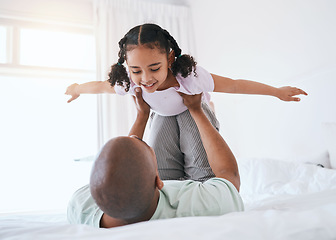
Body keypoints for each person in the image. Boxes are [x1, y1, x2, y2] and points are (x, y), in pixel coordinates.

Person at [65, 23, 307, 182]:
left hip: (194, 109)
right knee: (161, 169)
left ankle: (202, 184)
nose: (146, 78)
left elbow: (234, 84)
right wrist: (77, 88)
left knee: (199, 163)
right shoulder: (130, 82)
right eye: (136, 70)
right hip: (162, 116)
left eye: (154, 68)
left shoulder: (189, 76)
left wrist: (276, 91)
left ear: (169, 58)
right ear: (127, 67)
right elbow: (100, 86)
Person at [67, 88, 244, 228]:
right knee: (187, 111)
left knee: (165, 110)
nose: (137, 138)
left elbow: (120, 169)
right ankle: (206, 109)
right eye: (147, 148)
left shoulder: (80, 207)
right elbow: (228, 176)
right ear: (158, 181)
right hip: (201, 184)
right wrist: (197, 110)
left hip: (155, 194)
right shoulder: (205, 205)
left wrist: (142, 115)